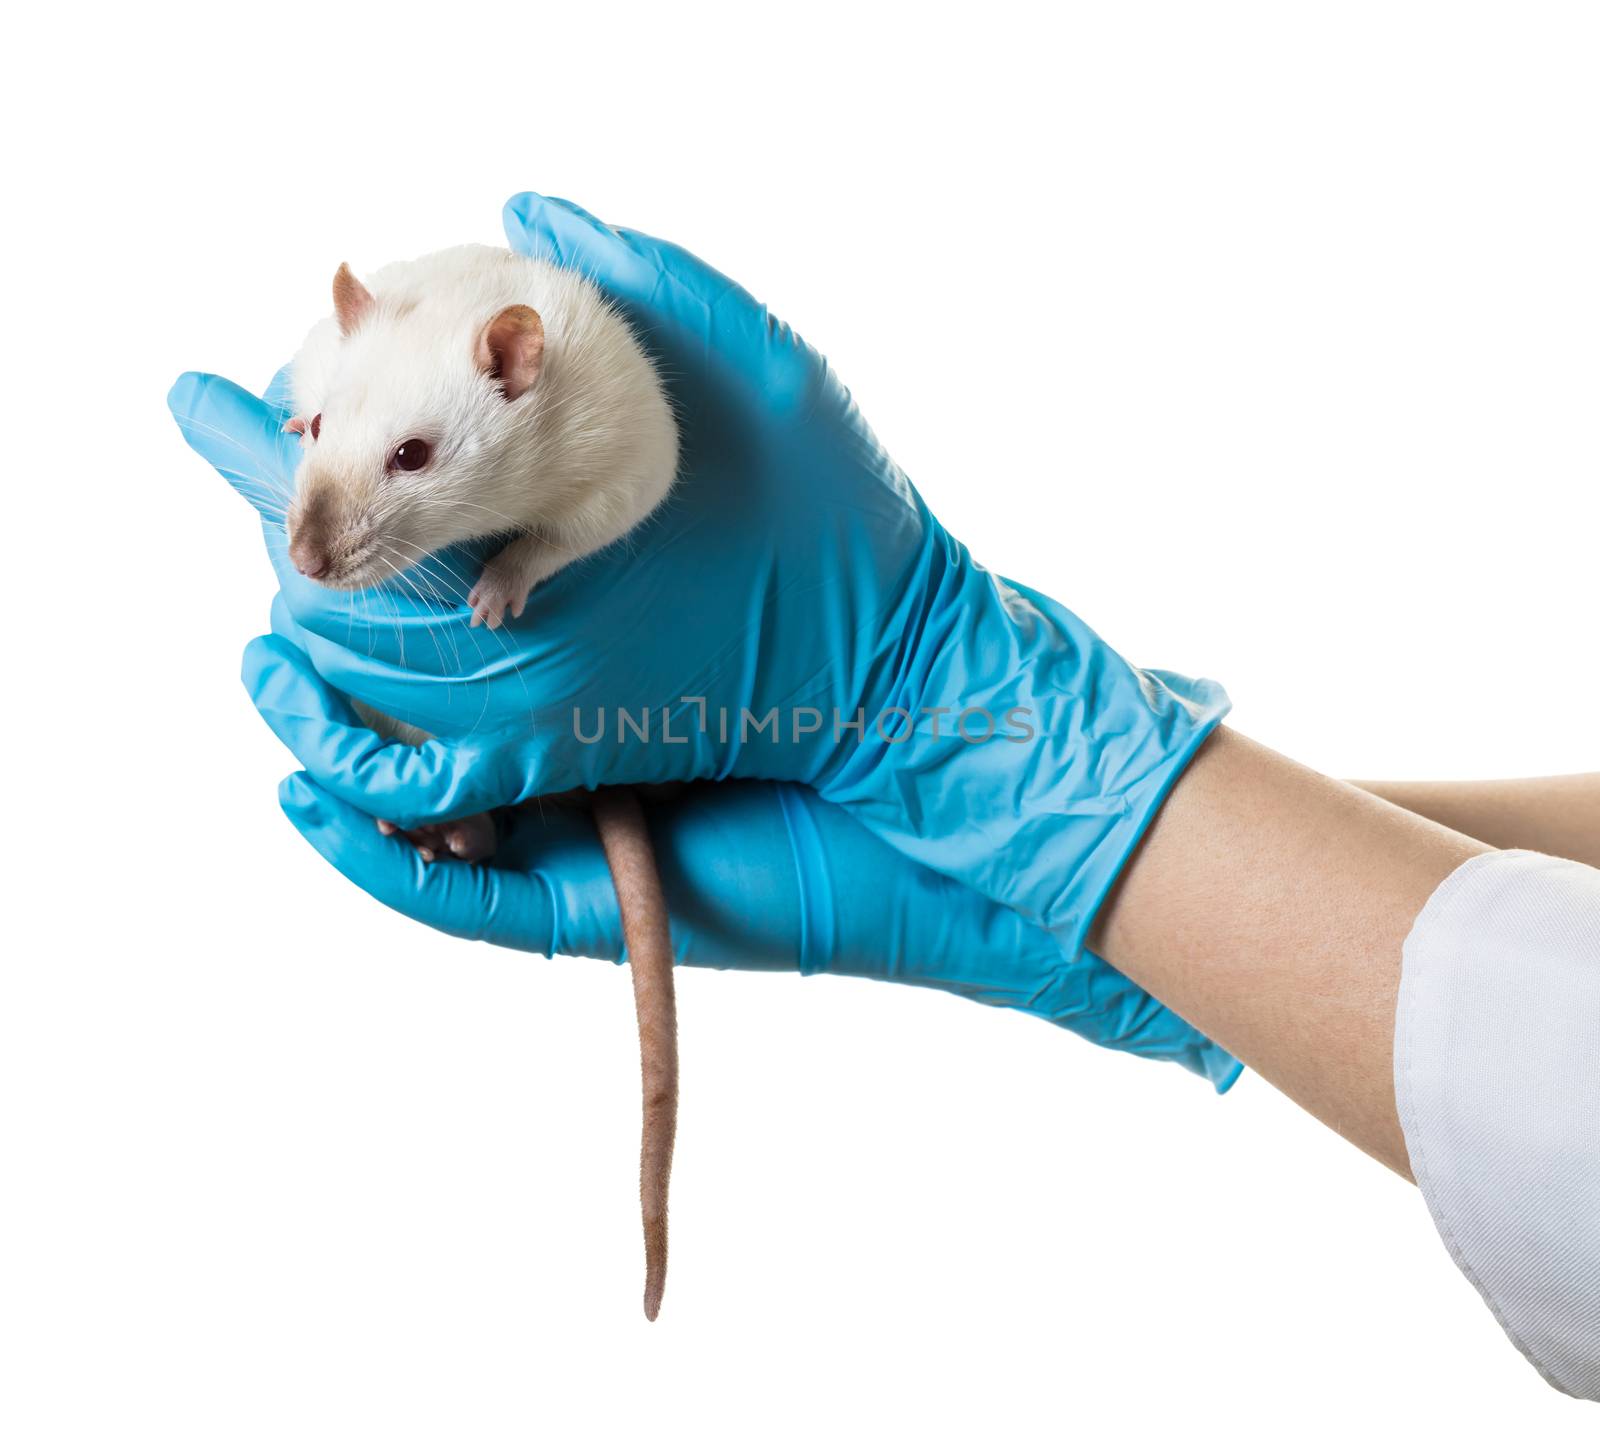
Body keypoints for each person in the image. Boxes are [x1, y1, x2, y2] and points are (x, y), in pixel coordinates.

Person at [170, 193, 1600, 1402]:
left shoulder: (537, 382)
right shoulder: (390, 371)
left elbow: (1552, 1070)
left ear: (514, 363)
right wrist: (1122, 874)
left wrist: (1040, 788)